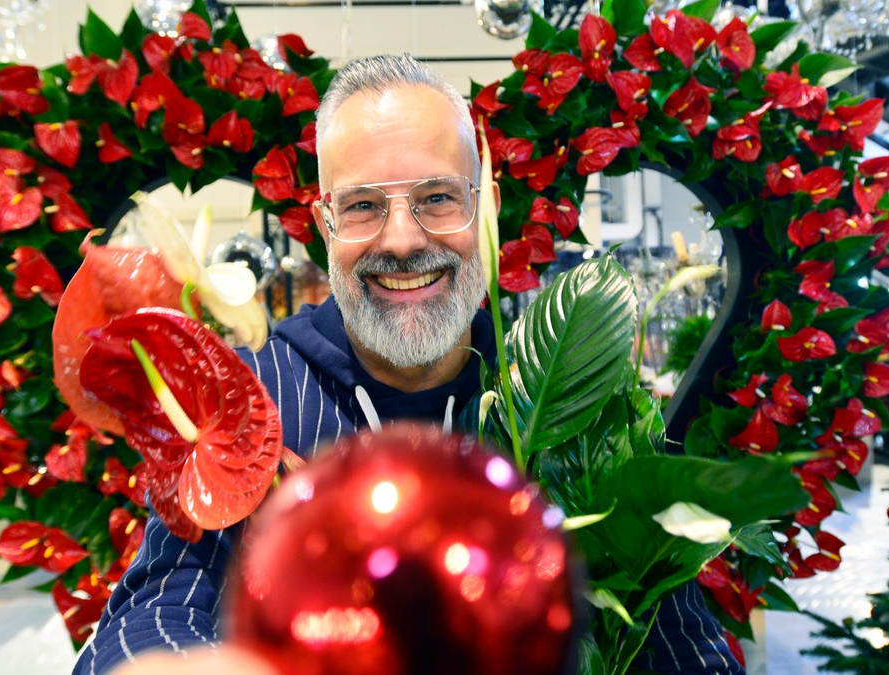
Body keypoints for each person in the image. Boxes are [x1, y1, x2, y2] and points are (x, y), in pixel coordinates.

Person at [74, 54, 744, 675]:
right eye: (364, 205)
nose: (402, 238)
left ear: (485, 206)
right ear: (325, 224)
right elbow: (160, 601)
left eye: (437, 197)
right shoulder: (252, 398)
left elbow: (679, 635)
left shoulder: (572, 399)